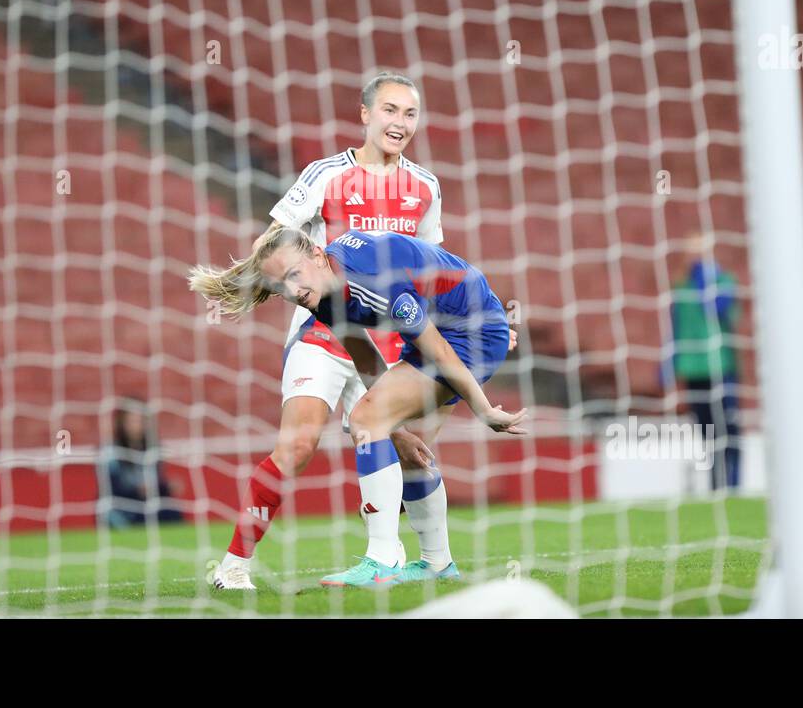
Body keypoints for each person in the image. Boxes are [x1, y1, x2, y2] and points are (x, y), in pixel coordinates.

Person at [209, 73, 457, 592]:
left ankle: (412, 559)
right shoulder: (326, 174)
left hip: (388, 338)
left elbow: (433, 267)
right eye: (390, 111)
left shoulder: (426, 187)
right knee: (297, 445)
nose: (400, 123)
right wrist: (245, 283)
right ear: (366, 114)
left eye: (410, 114)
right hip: (324, 332)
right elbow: (275, 240)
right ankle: (234, 564)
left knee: (400, 442)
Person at [190, 226, 525, 587]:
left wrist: (484, 409)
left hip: (471, 332)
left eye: (293, 275)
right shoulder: (324, 293)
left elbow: (440, 350)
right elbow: (365, 356)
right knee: (394, 436)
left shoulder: (370, 280)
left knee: (365, 417)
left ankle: (381, 560)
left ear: (318, 256)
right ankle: (437, 564)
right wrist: (394, 429)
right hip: (451, 325)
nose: (292, 292)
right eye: (280, 288)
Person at [669, 233, 741, 491]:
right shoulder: (680, 287)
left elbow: (719, 308)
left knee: (728, 427)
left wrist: (703, 278)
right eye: (690, 251)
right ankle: (715, 484)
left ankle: (734, 483)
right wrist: (669, 361)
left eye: (698, 251)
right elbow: (675, 327)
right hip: (693, 368)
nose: (694, 257)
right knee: (705, 430)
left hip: (720, 366)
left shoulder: (723, 282)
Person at [101, 399, 182, 527]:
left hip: (147, 505)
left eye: (140, 420)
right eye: (132, 420)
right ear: (122, 423)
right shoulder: (111, 452)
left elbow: (158, 489)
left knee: (172, 512)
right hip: (123, 506)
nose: (137, 425)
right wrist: (136, 490)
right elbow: (110, 490)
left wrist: (167, 487)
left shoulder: (153, 450)